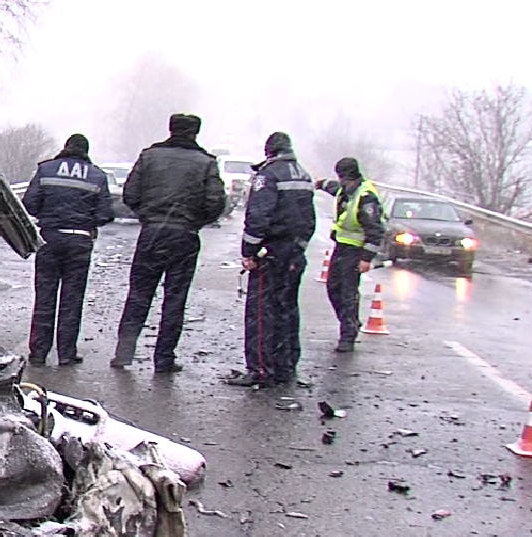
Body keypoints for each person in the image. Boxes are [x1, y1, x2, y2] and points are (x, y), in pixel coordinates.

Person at [110, 113, 226, 373]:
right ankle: (164, 358)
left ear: (171, 129)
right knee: (175, 299)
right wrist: (195, 221)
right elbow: (216, 203)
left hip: (152, 233)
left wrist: (147, 215)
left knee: (139, 295)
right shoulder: (206, 163)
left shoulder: (149, 157)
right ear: (196, 132)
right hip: (185, 236)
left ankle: (124, 353)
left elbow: (130, 194)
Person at [226, 131, 316, 388]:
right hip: (293, 253)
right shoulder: (303, 175)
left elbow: (258, 217)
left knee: (261, 312)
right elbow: (309, 220)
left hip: (270, 254)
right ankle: (285, 366)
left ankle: (260, 369)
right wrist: (298, 248)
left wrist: (250, 252)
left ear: (269, 151)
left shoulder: (268, 176)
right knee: (287, 309)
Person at [21, 134, 115, 366]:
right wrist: (86, 221)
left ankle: (38, 353)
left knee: (45, 297)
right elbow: (106, 214)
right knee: (72, 299)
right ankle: (66, 354)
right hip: (80, 241)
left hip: (50, 239)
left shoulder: (46, 169)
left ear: (66, 148)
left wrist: (50, 216)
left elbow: (29, 204)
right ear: (86, 151)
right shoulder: (97, 175)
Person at [314, 157, 384, 352]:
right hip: (341, 247)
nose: (341, 182)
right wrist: (320, 184)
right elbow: (333, 188)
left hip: (355, 250)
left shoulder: (366, 197)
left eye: (343, 178)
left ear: (350, 177)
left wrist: (366, 259)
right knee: (333, 288)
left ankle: (348, 334)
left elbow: (375, 230)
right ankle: (350, 322)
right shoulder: (345, 190)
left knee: (347, 292)